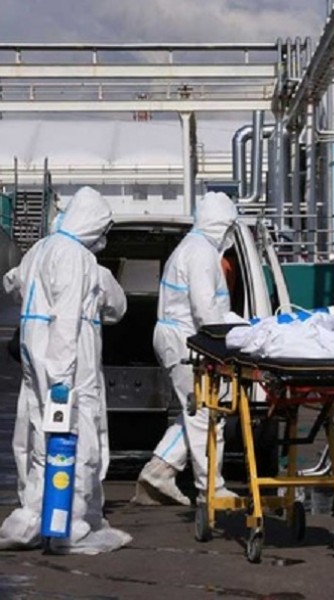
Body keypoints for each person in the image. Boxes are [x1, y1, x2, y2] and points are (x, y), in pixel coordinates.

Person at [0, 186, 132, 553]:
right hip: (70, 370)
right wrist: (61, 379)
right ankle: (69, 525)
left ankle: (30, 519)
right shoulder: (77, 258)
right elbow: (69, 318)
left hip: (33, 363)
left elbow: (12, 282)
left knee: (37, 442)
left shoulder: (41, 248)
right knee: (77, 440)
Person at [132, 191, 239, 506]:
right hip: (187, 340)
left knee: (194, 408)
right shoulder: (202, 253)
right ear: (222, 223)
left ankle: (159, 471)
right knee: (206, 412)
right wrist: (226, 342)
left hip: (177, 337)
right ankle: (212, 488)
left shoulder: (192, 247)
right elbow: (205, 308)